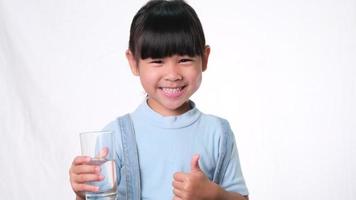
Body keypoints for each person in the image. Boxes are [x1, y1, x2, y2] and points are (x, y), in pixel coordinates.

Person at [69, 0, 249, 199]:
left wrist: (214, 195)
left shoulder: (218, 133)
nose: (172, 74)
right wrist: (82, 193)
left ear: (204, 58)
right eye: (157, 61)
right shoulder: (116, 136)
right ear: (133, 62)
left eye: (184, 60)